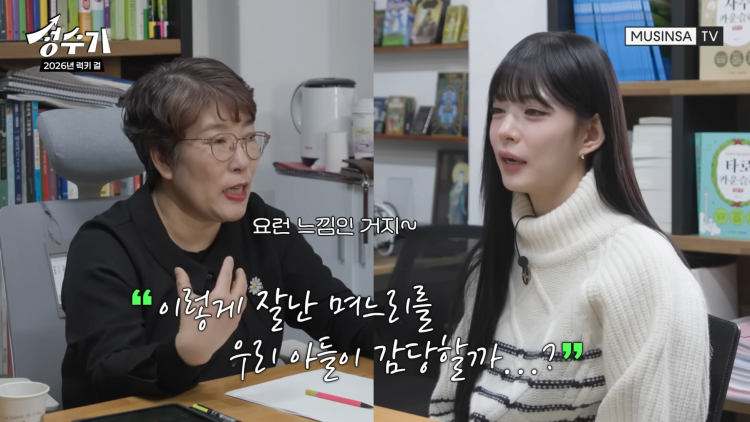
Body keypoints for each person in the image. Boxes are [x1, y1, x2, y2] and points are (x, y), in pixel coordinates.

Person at [60, 57, 374, 409]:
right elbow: (109, 378)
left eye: (248, 139)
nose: (242, 161)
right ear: (163, 157)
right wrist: (186, 353)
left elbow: (343, 318)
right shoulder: (104, 248)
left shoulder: (263, 227)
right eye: (219, 142)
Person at [429, 32, 710, 422]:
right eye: (498, 110)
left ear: (590, 134)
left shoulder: (640, 266)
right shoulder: (492, 260)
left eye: (533, 111)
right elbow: (446, 405)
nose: (505, 130)